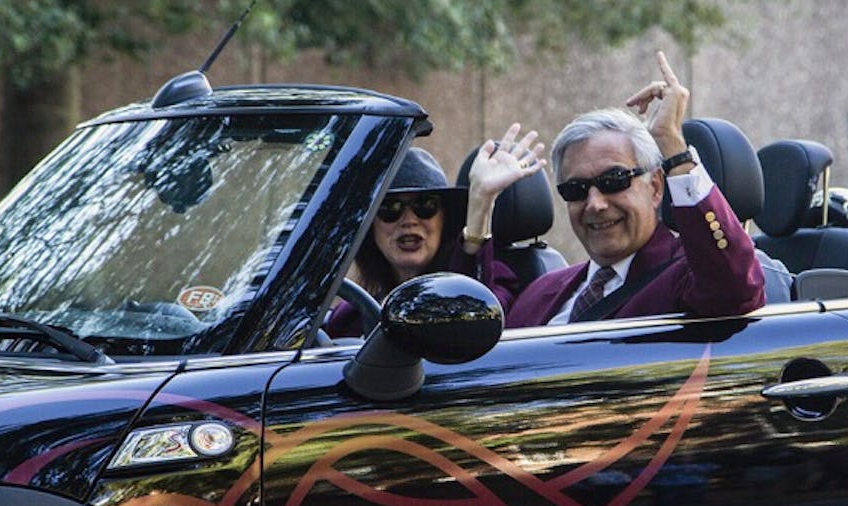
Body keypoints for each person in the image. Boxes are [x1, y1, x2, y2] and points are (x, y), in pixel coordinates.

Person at [505, 51, 766, 327]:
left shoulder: (687, 277)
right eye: (576, 189)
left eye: (614, 181)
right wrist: (480, 207)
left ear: (655, 187)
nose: (594, 203)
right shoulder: (539, 294)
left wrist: (672, 146)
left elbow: (735, 291)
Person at [326, 131, 544, 337]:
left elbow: (475, 314)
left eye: (425, 206)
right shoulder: (354, 313)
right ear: (371, 226)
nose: (409, 220)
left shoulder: (498, 279)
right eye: (390, 208)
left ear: (444, 220)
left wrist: (481, 202)